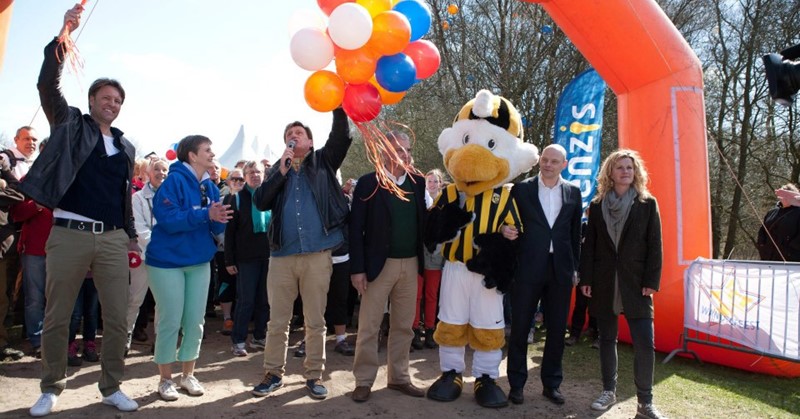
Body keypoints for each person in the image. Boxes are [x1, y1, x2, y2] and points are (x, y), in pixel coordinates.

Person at [22, 5, 140, 416]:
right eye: (106, 98)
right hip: (68, 233)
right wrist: (64, 32)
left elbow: (124, 197)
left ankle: (111, 386)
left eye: (118, 100)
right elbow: (46, 84)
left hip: (110, 239)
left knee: (117, 319)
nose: (112, 104)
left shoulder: (126, 147)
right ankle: (52, 386)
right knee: (58, 317)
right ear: (91, 101)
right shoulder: (70, 124)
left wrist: (129, 235)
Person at [251, 108, 352, 400]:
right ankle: (273, 374)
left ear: (310, 141)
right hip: (282, 256)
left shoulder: (323, 161)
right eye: (288, 135)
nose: (293, 138)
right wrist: (280, 172)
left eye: (298, 133)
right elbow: (260, 201)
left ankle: (314, 375)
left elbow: (342, 136)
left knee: (315, 320)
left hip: (317, 256)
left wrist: (338, 105)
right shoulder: (277, 170)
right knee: (278, 321)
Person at [579, 149, 665, 419]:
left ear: (636, 172)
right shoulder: (596, 206)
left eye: (629, 167)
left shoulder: (647, 204)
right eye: (620, 167)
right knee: (606, 339)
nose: (625, 171)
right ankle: (608, 391)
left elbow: (655, 245)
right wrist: (587, 279)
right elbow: (589, 246)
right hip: (605, 282)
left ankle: (645, 402)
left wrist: (652, 280)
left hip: (637, 283)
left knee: (644, 343)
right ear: (610, 173)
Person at [145, 135, 230, 401]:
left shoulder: (211, 187)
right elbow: (169, 219)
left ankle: (188, 375)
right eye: (207, 149)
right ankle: (165, 380)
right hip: (166, 263)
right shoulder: (173, 181)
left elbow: (215, 227)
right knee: (170, 319)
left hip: (199, 262)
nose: (212, 153)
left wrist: (220, 219)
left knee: (195, 321)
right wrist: (205, 214)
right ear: (192, 156)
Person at [349, 131, 427, 402]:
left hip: (411, 264)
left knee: (404, 326)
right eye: (397, 149)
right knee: (369, 326)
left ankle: (399, 378)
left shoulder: (418, 182)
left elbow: (424, 223)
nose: (403, 154)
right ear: (384, 152)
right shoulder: (368, 183)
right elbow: (355, 229)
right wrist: (357, 269)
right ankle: (364, 381)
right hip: (377, 267)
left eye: (406, 150)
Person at [505, 144, 583, 405]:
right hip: (527, 267)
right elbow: (508, 222)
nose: (548, 164)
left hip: (560, 269)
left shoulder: (573, 192)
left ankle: (551, 384)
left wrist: (575, 268)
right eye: (545, 160)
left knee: (557, 329)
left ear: (564, 163)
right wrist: (507, 232)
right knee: (519, 329)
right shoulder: (522, 189)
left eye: (554, 161)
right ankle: (516, 385)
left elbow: (575, 235)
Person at [225, 161, 271, 357]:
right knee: (246, 300)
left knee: (265, 300)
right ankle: (238, 340)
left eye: (258, 172)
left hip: (269, 256)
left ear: (264, 174)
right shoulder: (236, 198)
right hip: (245, 258)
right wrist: (229, 260)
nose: (255, 175)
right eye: (250, 172)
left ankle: (260, 337)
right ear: (244, 176)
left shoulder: (270, 196)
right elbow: (230, 233)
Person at [126, 158, 168, 355]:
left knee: (162, 301)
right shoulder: (138, 198)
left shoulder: (173, 197)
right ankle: (125, 337)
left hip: (166, 259)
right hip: (145, 255)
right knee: (135, 298)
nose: (161, 173)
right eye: (157, 169)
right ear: (148, 174)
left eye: (165, 170)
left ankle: (160, 339)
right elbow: (140, 228)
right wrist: (156, 247)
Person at [412, 168, 446, 350]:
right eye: (429, 181)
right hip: (418, 253)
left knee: (431, 295)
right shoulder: (419, 201)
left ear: (440, 183)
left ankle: (431, 330)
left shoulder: (445, 203)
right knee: (416, 295)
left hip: (436, 254)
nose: (432, 184)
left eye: (435, 181)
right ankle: (415, 330)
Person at [756, 183, 800, 261]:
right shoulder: (772, 212)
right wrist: (762, 247)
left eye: (786, 195)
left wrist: (790, 250)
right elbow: (762, 232)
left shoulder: (798, 212)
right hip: (768, 258)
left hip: (791, 259)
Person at [67, 272, 100, 366]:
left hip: (94, 274)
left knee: (92, 312)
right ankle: (69, 346)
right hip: (74, 274)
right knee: (75, 313)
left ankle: (89, 344)